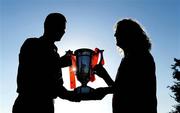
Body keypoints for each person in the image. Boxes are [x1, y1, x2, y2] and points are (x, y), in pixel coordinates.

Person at [12, 13, 80, 113]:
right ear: (48, 26)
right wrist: (59, 63)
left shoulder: (55, 54)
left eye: (64, 29)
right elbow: (33, 71)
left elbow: (56, 87)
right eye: (60, 27)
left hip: (47, 106)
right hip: (28, 103)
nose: (63, 32)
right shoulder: (31, 44)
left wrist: (71, 96)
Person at [94, 19, 157, 113]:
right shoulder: (130, 57)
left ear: (129, 34)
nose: (115, 35)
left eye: (118, 32)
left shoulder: (141, 55)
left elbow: (133, 91)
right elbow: (120, 89)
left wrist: (104, 91)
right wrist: (104, 75)